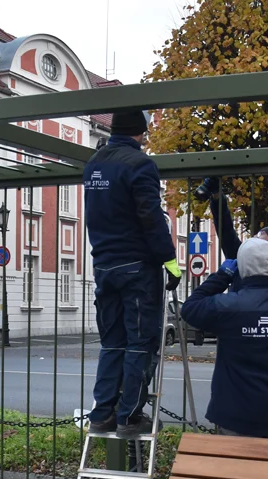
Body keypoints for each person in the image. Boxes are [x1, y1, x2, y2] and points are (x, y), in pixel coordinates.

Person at [83, 109, 181, 439]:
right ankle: (129, 417)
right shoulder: (140, 165)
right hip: (137, 268)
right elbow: (150, 217)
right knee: (141, 341)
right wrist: (170, 261)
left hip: (104, 267)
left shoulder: (94, 164)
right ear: (141, 133)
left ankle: (102, 414)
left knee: (112, 343)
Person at [182, 238, 268, 439]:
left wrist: (223, 276)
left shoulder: (228, 307)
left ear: (242, 267)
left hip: (234, 417)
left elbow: (189, 308)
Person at [195, 176, 268, 297]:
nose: (255, 237)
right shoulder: (240, 258)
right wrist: (217, 197)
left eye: (261, 235)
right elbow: (225, 228)